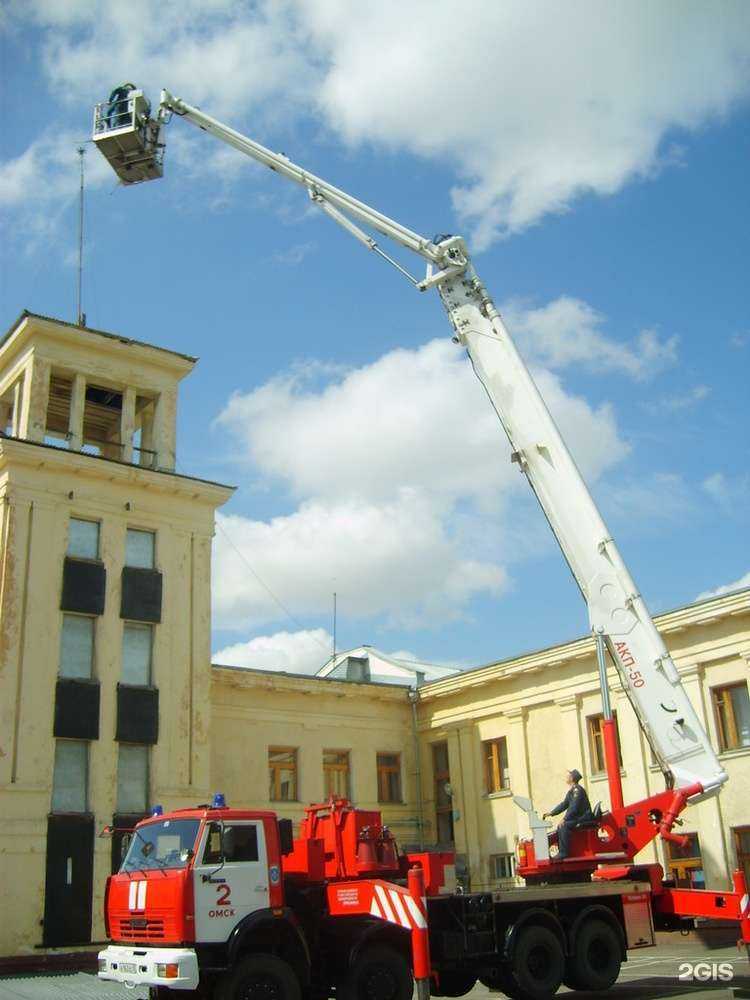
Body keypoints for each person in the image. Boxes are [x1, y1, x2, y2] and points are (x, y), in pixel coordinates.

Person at [543, 769, 593, 860]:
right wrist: (552, 813)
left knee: (563, 826)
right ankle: (561, 851)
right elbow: (564, 804)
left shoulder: (577, 790)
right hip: (579, 817)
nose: (566, 777)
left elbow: (574, 807)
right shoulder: (572, 791)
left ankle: (564, 852)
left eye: (568, 775)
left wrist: (565, 819)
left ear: (572, 778)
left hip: (584, 817)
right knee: (560, 826)